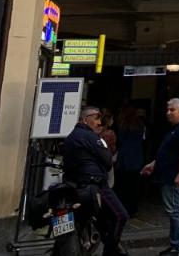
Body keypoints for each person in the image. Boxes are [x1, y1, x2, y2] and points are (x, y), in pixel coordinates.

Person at [61, 106, 129, 256]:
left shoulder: (70, 137)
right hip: (93, 185)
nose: (99, 122)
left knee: (101, 219)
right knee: (120, 216)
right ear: (86, 120)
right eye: (96, 118)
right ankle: (111, 251)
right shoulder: (91, 137)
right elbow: (107, 159)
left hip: (73, 185)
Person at [143, 98, 179, 256]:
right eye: (167, 110)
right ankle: (175, 244)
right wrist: (153, 164)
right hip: (166, 174)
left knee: (174, 211)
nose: (168, 113)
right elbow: (168, 152)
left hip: (173, 176)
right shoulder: (175, 128)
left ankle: (178, 247)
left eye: (172, 110)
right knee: (173, 211)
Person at [114, 106, 146, 217]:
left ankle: (123, 208)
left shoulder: (124, 125)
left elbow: (121, 139)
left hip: (125, 158)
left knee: (122, 185)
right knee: (133, 185)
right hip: (137, 157)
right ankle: (133, 208)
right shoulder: (140, 125)